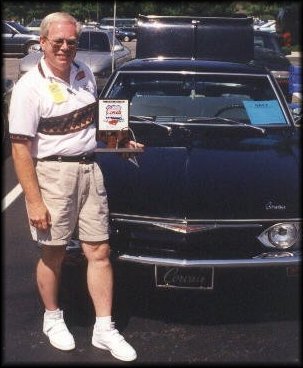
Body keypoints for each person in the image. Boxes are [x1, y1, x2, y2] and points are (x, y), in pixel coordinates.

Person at [9, 12, 143, 362]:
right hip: (52, 176)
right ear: (42, 43)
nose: (66, 48)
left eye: (72, 41)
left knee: (98, 251)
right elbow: (20, 148)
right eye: (58, 41)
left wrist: (120, 142)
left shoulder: (84, 73)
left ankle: (104, 328)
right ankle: (52, 319)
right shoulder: (28, 88)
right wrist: (34, 201)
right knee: (53, 252)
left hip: (89, 171)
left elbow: (96, 122)